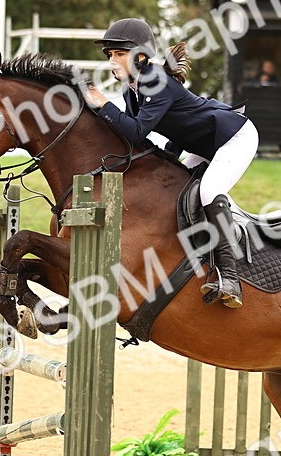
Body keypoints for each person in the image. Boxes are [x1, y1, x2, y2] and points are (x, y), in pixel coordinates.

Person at [82, 18, 257, 308]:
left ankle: (230, 277)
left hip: (233, 136)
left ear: (140, 56)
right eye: (110, 55)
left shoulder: (155, 81)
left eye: (119, 54)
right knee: (178, 192)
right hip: (202, 143)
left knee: (208, 192)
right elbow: (132, 135)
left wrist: (103, 104)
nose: (112, 61)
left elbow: (137, 130)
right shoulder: (132, 88)